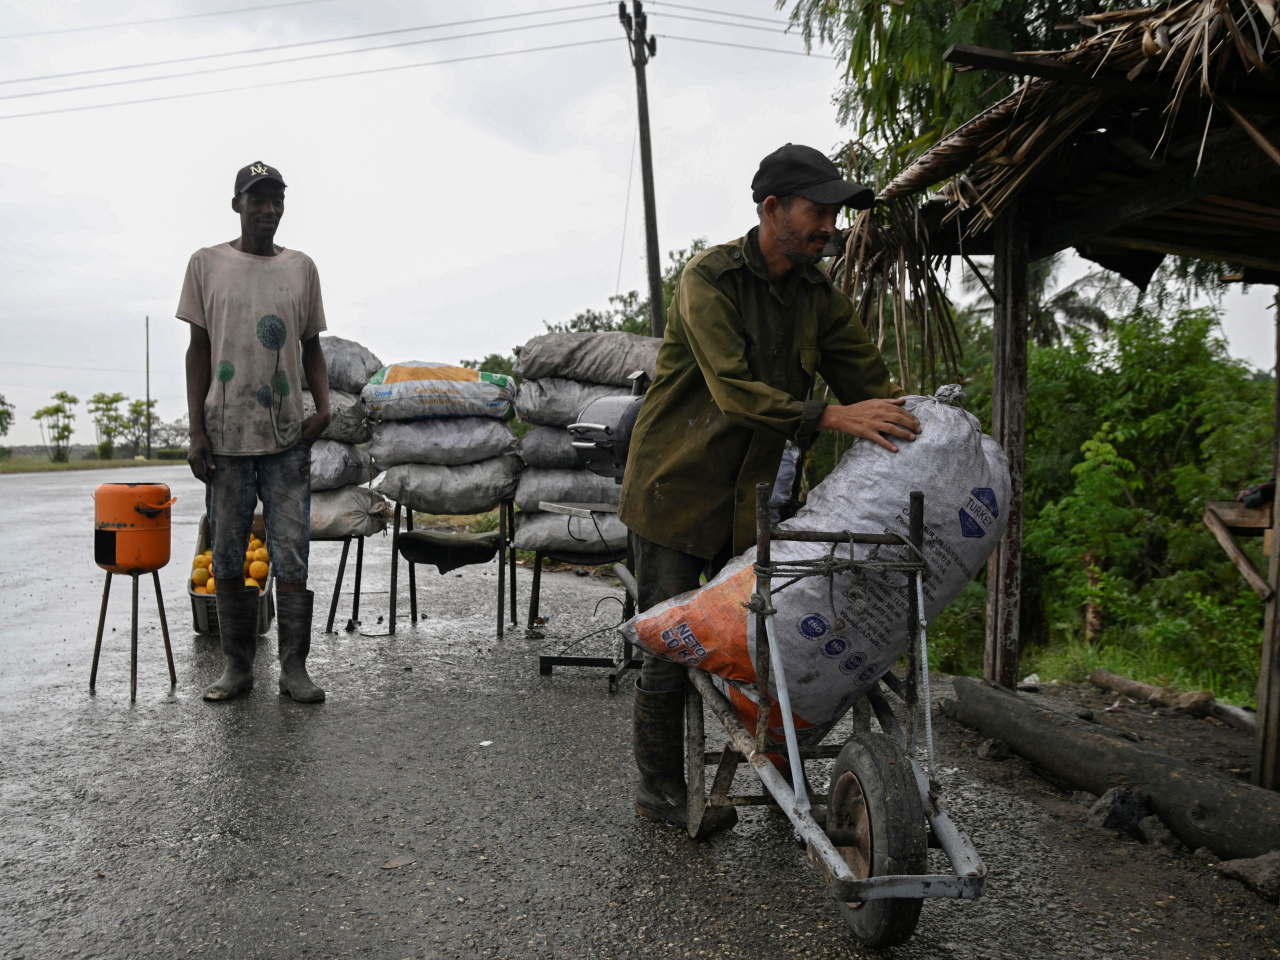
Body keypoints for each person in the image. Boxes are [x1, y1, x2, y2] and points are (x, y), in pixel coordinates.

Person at [617, 143, 922, 828]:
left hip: (759, 500)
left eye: (836, 216)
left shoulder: (819, 298)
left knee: (775, 642)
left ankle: (777, 779)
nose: (830, 228)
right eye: (819, 213)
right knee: (670, 645)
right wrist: (831, 416)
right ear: (772, 208)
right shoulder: (710, 279)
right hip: (678, 489)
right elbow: (734, 393)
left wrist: (923, 429)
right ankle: (658, 790)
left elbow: (871, 390)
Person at [178, 161, 331, 703]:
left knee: (291, 553)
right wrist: (197, 431)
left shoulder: (302, 268)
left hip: (288, 436)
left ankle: (294, 670)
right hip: (226, 437)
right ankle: (237, 668)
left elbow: (312, 345)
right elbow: (198, 351)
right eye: (257, 199)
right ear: (237, 204)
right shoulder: (206, 264)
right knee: (226, 555)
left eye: (276, 199)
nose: (268, 209)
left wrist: (324, 406)